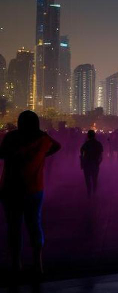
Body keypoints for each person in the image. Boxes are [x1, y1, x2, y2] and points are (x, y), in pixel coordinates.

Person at [0, 110, 61, 275]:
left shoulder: (11, 138)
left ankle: (16, 263)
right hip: (34, 189)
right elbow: (57, 146)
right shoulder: (42, 139)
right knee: (34, 225)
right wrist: (42, 154)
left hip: (10, 189)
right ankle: (37, 264)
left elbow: (2, 154)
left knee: (14, 227)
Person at [79, 129, 103, 197]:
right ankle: (94, 193)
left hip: (87, 164)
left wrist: (82, 163)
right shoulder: (98, 144)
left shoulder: (85, 144)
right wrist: (98, 163)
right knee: (95, 179)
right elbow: (101, 156)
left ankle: (89, 193)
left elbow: (82, 155)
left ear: (88, 136)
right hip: (95, 163)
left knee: (88, 180)